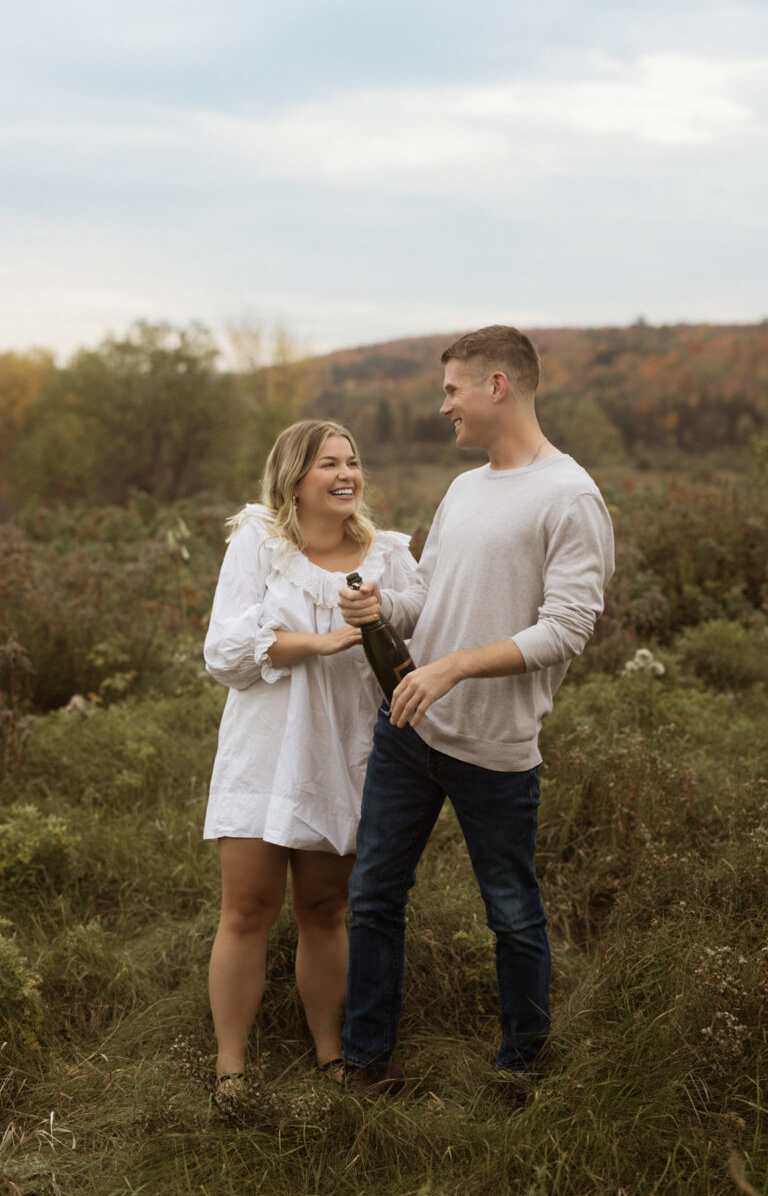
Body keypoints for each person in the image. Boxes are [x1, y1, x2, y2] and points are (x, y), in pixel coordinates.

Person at [337, 326, 615, 1095]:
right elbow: (429, 594)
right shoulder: (464, 487)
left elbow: (567, 628)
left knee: (512, 913)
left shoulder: (571, 497)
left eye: (453, 389)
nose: (442, 406)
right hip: (410, 730)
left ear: (498, 385)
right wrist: (379, 605)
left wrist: (454, 665)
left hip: (494, 747)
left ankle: (520, 1068)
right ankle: (365, 1064)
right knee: (375, 895)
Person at [202, 419, 416, 1100]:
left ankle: (333, 1058)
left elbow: (420, 640)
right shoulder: (258, 546)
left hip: (342, 753)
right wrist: (316, 644)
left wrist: (378, 618)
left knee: (325, 908)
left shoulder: (388, 558)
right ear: (295, 477)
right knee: (247, 907)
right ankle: (230, 1067)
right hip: (264, 751)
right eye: (329, 463)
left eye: (353, 461)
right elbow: (225, 655)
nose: (347, 474)